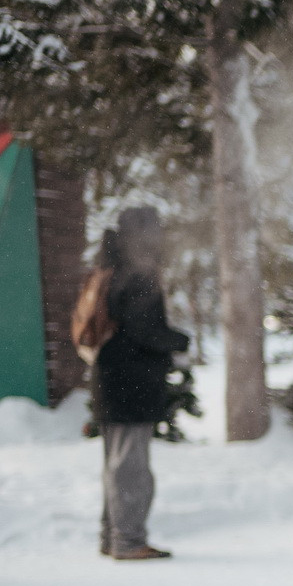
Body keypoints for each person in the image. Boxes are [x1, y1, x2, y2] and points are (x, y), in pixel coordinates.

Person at [93, 207, 188, 561]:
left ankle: (113, 535)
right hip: (130, 383)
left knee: (117, 463)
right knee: (130, 466)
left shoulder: (111, 269)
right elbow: (144, 330)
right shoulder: (137, 275)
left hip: (112, 379)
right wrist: (179, 341)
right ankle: (128, 540)